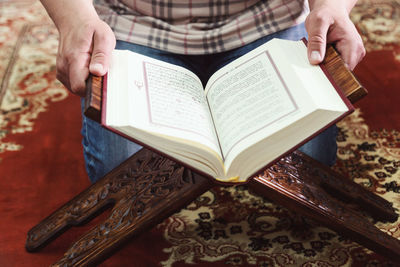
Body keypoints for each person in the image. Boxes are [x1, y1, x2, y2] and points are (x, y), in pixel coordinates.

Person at [40, 0, 365, 183]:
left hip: (267, 17)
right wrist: (75, 20)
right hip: (130, 22)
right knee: (125, 178)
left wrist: (332, 5)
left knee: (306, 171)